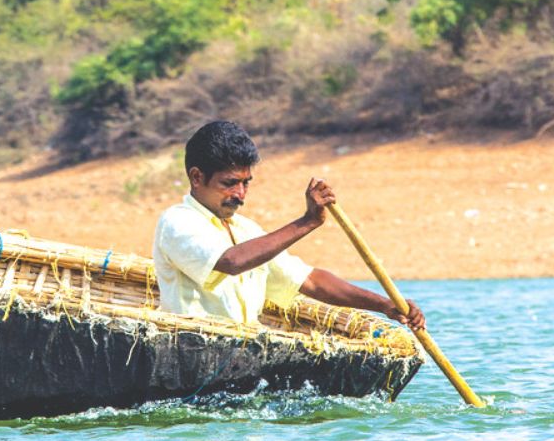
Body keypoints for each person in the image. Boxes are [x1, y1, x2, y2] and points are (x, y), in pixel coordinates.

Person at [153, 120, 425, 330]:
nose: (240, 194)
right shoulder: (177, 221)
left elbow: (311, 281)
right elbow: (231, 262)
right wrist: (307, 222)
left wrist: (386, 305)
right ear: (197, 177)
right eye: (229, 183)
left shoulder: (246, 230)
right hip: (194, 350)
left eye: (246, 182)